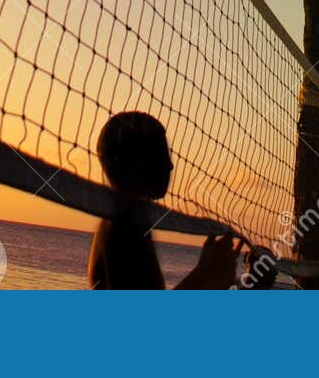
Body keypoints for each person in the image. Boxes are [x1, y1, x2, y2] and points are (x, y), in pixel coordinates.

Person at [88, 111, 239, 289]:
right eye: (159, 153)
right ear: (134, 161)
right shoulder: (124, 228)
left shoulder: (128, 220)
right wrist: (205, 273)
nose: (170, 165)